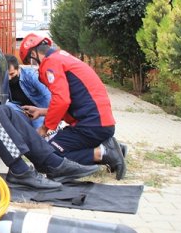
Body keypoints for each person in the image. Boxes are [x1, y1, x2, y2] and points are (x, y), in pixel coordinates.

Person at [18, 33, 127, 179]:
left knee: (50, 153)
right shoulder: (62, 57)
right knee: (56, 145)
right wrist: (41, 111)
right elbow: (70, 102)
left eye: (31, 61)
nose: (35, 67)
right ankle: (113, 148)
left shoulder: (50, 63)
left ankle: (104, 152)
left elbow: (62, 100)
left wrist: (44, 128)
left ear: (34, 53)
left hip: (91, 124)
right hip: (99, 122)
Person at [5, 54, 51, 130]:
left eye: (12, 74)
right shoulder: (3, 80)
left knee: (38, 133)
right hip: (21, 110)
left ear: (18, 68)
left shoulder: (31, 75)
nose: (9, 78)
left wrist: (49, 114)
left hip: (40, 110)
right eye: (7, 75)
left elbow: (48, 95)